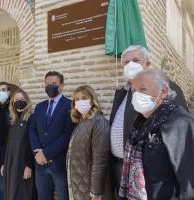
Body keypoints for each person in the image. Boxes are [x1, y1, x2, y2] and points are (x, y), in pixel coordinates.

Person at [109, 45, 189, 197]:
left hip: (150, 172)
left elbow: (180, 132)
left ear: (147, 64)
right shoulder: (121, 93)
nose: (130, 65)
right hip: (121, 167)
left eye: (135, 60)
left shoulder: (166, 87)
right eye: (126, 62)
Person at [119, 69, 194, 199]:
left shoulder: (180, 122)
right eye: (133, 91)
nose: (136, 95)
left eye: (142, 89)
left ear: (163, 91)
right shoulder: (139, 122)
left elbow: (189, 180)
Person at [29, 71, 74, 200]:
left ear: (62, 86)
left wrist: (47, 153)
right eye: (47, 84)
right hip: (39, 163)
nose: (50, 86)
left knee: (64, 196)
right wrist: (37, 151)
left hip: (59, 163)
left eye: (54, 83)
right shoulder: (39, 107)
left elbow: (68, 134)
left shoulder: (70, 105)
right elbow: (32, 129)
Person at [67, 85, 112, 200]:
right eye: (77, 99)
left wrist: (96, 191)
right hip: (79, 184)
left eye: (84, 98)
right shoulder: (81, 122)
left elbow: (100, 160)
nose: (80, 101)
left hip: (90, 190)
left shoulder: (99, 122)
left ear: (92, 100)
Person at [2, 89, 36, 200]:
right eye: (16, 99)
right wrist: (3, 163)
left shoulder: (31, 118)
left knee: (23, 193)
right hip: (10, 163)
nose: (19, 101)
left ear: (27, 101)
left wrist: (29, 165)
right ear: (12, 102)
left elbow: (32, 143)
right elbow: (7, 143)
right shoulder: (11, 119)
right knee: (10, 193)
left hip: (23, 162)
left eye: (22, 99)